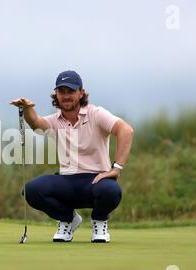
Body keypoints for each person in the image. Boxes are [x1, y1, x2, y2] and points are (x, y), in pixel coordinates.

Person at [10, 70, 134, 243]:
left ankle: (99, 221)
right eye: (62, 92)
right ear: (56, 95)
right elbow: (37, 124)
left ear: (81, 93)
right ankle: (68, 219)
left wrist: (116, 168)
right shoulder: (55, 120)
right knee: (31, 190)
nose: (66, 96)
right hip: (67, 182)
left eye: (71, 91)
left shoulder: (96, 114)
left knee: (111, 191)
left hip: (96, 180)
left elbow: (125, 130)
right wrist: (27, 108)